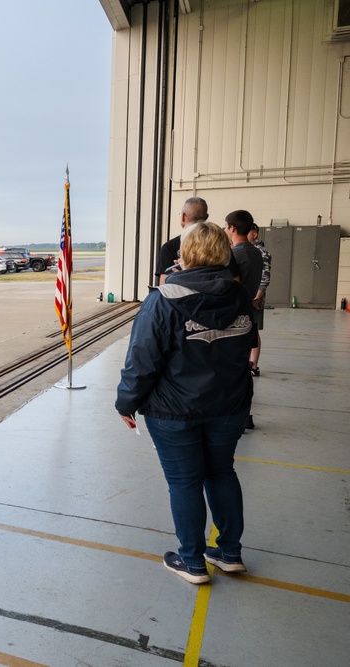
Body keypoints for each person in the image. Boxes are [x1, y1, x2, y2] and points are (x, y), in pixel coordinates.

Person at [116, 221, 256, 584]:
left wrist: (125, 402)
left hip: (174, 410)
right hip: (229, 405)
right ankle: (229, 553)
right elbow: (247, 344)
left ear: (185, 253)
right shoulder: (240, 296)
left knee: (184, 482)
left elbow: (142, 360)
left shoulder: (163, 300)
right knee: (221, 472)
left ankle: (193, 561)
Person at [224, 210, 264, 430]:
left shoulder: (234, 255)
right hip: (249, 313)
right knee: (243, 369)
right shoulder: (256, 253)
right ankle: (245, 413)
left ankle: (236, 413)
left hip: (234, 316)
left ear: (232, 228)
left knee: (231, 370)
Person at [154, 197, 208, 284]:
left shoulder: (170, 247)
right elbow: (234, 279)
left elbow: (164, 287)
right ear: (206, 217)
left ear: (183, 216)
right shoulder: (218, 244)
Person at [247, 223, 271, 376]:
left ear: (254, 234)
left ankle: (254, 366)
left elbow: (265, 277)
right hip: (247, 296)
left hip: (255, 298)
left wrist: (257, 297)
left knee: (253, 331)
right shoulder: (247, 250)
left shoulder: (261, 252)